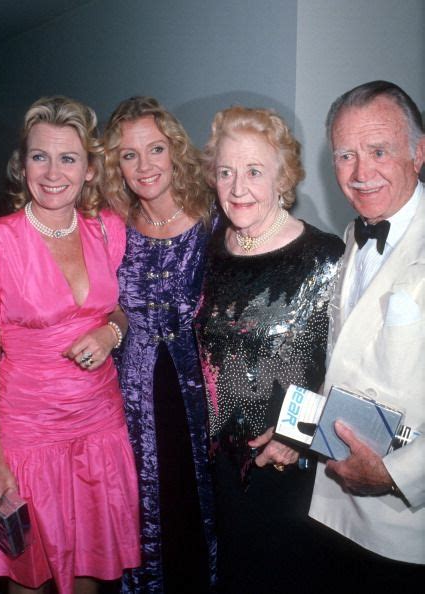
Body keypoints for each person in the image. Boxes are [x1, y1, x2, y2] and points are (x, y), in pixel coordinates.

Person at [0, 96, 140, 594]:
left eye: (68, 158)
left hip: (99, 427)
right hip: (27, 435)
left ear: (89, 169)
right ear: (22, 163)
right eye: (39, 156)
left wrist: (111, 332)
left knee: (92, 571)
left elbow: (121, 311)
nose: (52, 172)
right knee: (28, 575)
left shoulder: (107, 229)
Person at [195, 106, 344, 594]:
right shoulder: (213, 250)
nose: (238, 187)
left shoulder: (324, 256)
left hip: (287, 468)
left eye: (255, 171)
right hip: (218, 466)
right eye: (226, 172)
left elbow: (345, 362)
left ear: (284, 178)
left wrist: (296, 433)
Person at [309, 80, 425, 587]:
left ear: (419, 152)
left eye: (379, 151)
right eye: (345, 155)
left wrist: (398, 475)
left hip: (407, 529)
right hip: (332, 509)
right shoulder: (351, 236)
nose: (360, 174)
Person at [103, 96, 217, 594]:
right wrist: (111, 327)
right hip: (132, 396)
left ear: (175, 151)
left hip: (201, 395)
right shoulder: (111, 229)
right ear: (116, 166)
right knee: (146, 508)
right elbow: (100, 303)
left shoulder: (217, 220)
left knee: (197, 507)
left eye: (155, 149)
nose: (144, 165)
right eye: (129, 155)